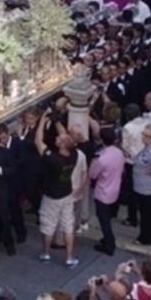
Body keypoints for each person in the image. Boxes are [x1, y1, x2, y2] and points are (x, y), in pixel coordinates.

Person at [35, 108, 86, 268]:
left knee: (48, 226)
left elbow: (38, 141)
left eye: (59, 139)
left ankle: (46, 252)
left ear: (63, 145)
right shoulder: (74, 154)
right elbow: (65, 136)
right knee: (68, 226)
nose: (57, 138)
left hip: (52, 196)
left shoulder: (53, 159)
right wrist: (56, 120)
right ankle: (70, 257)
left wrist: (43, 119)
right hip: (67, 194)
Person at [89, 127, 125, 256]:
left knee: (103, 220)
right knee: (107, 216)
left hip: (103, 191)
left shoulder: (101, 158)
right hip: (115, 188)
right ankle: (108, 240)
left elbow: (92, 175)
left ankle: (109, 243)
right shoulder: (119, 152)